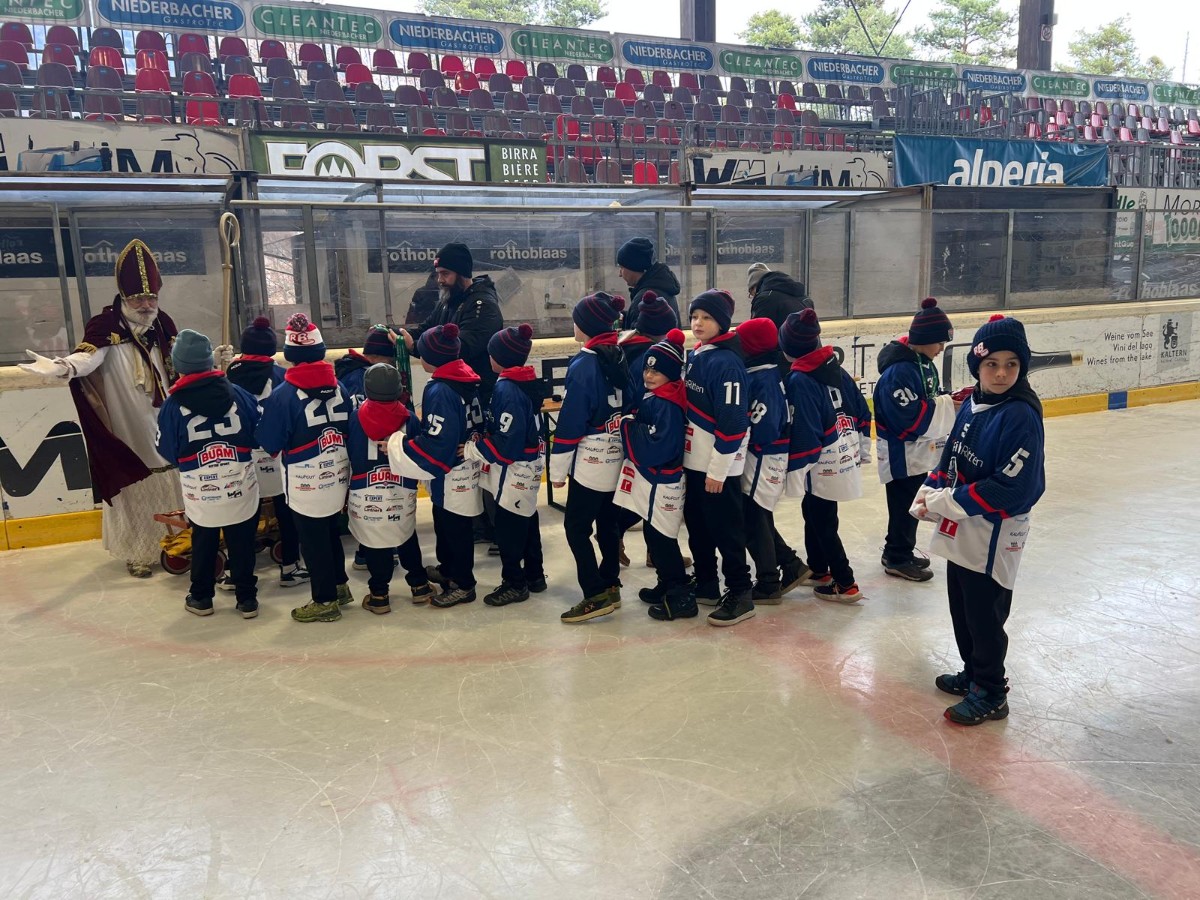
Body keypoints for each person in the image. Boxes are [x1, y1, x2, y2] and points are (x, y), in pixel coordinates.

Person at [18, 239, 196, 578]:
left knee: (172, 474)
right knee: (136, 480)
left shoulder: (162, 324)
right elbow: (87, 358)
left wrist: (214, 359)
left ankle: (181, 541)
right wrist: (61, 367)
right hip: (127, 418)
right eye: (138, 298)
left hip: (165, 415)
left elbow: (184, 362)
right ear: (124, 297)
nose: (146, 305)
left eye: (151, 297)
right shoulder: (106, 326)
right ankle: (138, 551)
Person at [911, 314, 1045, 726]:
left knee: (985, 613)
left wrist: (948, 501)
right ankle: (973, 673)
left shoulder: (1020, 414)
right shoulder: (973, 402)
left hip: (996, 531)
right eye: (992, 364)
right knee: (963, 606)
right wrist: (930, 489)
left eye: (1011, 364)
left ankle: (991, 691)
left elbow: (1014, 487)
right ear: (977, 365)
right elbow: (952, 457)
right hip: (966, 525)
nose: (1001, 373)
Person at [155, 329, 261, 618]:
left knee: (204, 538)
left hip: (200, 489)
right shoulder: (239, 393)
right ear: (208, 362)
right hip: (240, 482)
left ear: (179, 366)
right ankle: (247, 599)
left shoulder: (172, 405)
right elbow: (257, 432)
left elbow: (166, 450)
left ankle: (201, 597)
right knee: (242, 541)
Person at [256, 313, 354, 623]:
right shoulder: (340, 387)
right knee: (330, 532)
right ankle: (339, 586)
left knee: (312, 541)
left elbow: (270, 441)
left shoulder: (283, 395)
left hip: (305, 479)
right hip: (338, 472)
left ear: (290, 355)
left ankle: (324, 600)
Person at [385, 323, 484, 609]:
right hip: (465, 467)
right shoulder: (464, 376)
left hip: (453, 472)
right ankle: (449, 569)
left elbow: (439, 442)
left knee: (456, 529)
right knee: (446, 522)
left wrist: (399, 444)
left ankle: (464, 584)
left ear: (432, 358)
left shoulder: (440, 389)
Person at [779, 309, 872, 604]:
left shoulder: (799, 380)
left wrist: (794, 472)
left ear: (787, 347)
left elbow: (805, 431)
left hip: (821, 462)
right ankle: (819, 569)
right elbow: (862, 411)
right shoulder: (836, 368)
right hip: (844, 451)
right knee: (815, 512)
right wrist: (862, 449)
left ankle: (846, 583)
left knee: (823, 520)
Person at [551, 292, 630, 624]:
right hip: (618, 455)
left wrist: (558, 469)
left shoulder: (584, 363)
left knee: (576, 527)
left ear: (585, 325)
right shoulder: (620, 353)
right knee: (608, 524)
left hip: (591, 461)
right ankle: (610, 582)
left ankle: (595, 593)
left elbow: (571, 422)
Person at [682, 289, 755, 627]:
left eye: (707, 317)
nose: (698, 323)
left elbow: (733, 422)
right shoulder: (699, 353)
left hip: (716, 468)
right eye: (694, 316)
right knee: (698, 526)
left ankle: (741, 592)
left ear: (722, 323)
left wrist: (718, 470)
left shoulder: (726, 363)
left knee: (727, 531)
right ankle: (707, 582)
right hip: (695, 463)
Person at [464, 323, 550, 606]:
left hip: (515, 470)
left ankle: (515, 583)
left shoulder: (507, 389)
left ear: (499, 357)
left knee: (508, 528)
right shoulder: (523, 380)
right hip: (528, 466)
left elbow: (508, 443)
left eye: (491, 353)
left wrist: (473, 449)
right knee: (528, 520)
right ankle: (535, 576)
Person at [873, 298, 957, 583]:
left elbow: (929, 398)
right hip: (900, 454)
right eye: (939, 342)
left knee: (911, 503)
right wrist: (947, 406)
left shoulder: (922, 362)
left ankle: (900, 551)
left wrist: (947, 401)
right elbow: (906, 417)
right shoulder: (898, 372)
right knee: (902, 506)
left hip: (916, 452)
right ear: (924, 339)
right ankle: (896, 557)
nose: (942, 348)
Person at [615, 330, 695, 621]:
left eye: (656, 371)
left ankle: (680, 595)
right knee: (652, 533)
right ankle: (666, 583)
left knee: (662, 537)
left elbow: (658, 446)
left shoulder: (667, 404)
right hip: (655, 479)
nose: (649, 375)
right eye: (647, 369)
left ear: (671, 374)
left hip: (663, 481)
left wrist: (628, 425)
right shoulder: (658, 396)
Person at [224, 316, 308, 590]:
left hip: (240, 456)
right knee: (286, 510)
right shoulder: (282, 376)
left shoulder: (227, 378)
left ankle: (235, 572)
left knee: (243, 515)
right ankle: (290, 566)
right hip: (275, 454)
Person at [347, 363, 435, 613]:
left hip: (365, 489)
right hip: (401, 488)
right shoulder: (409, 417)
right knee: (405, 535)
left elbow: (350, 452)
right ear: (398, 389)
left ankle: (379, 595)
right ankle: (419, 585)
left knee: (375, 543)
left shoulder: (355, 417)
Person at [735, 317, 808, 604]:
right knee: (757, 516)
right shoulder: (765, 372)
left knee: (753, 518)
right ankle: (790, 564)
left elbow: (764, 426)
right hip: (767, 454)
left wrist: (743, 436)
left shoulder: (762, 378)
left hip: (764, 455)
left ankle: (768, 582)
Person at [399, 242, 504, 405]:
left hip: (477, 395)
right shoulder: (447, 302)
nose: (440, 280)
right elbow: (424, 330)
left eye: (445, 274)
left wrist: (414, 346)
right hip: (453, 390)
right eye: (438, 274)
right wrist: (394, 335)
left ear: (462, 273)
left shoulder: (483, 306)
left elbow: (461, 349)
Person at [617, 237, 681, 332]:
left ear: (634, 267)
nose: (620, 274)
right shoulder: (664, 288)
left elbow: (639, 338)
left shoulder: (645, 299)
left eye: (622, 267)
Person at [336, 326, 401, 407]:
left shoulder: (356, 371)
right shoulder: (359, 379)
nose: (392, 366)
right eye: (391, 361)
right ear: (375, 356)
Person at [747, 263, 812, 328]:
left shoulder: (764, 299)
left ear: (754, 287)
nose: (754, 297)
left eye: (752, 294)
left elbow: (758, 330)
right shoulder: (804, 297)